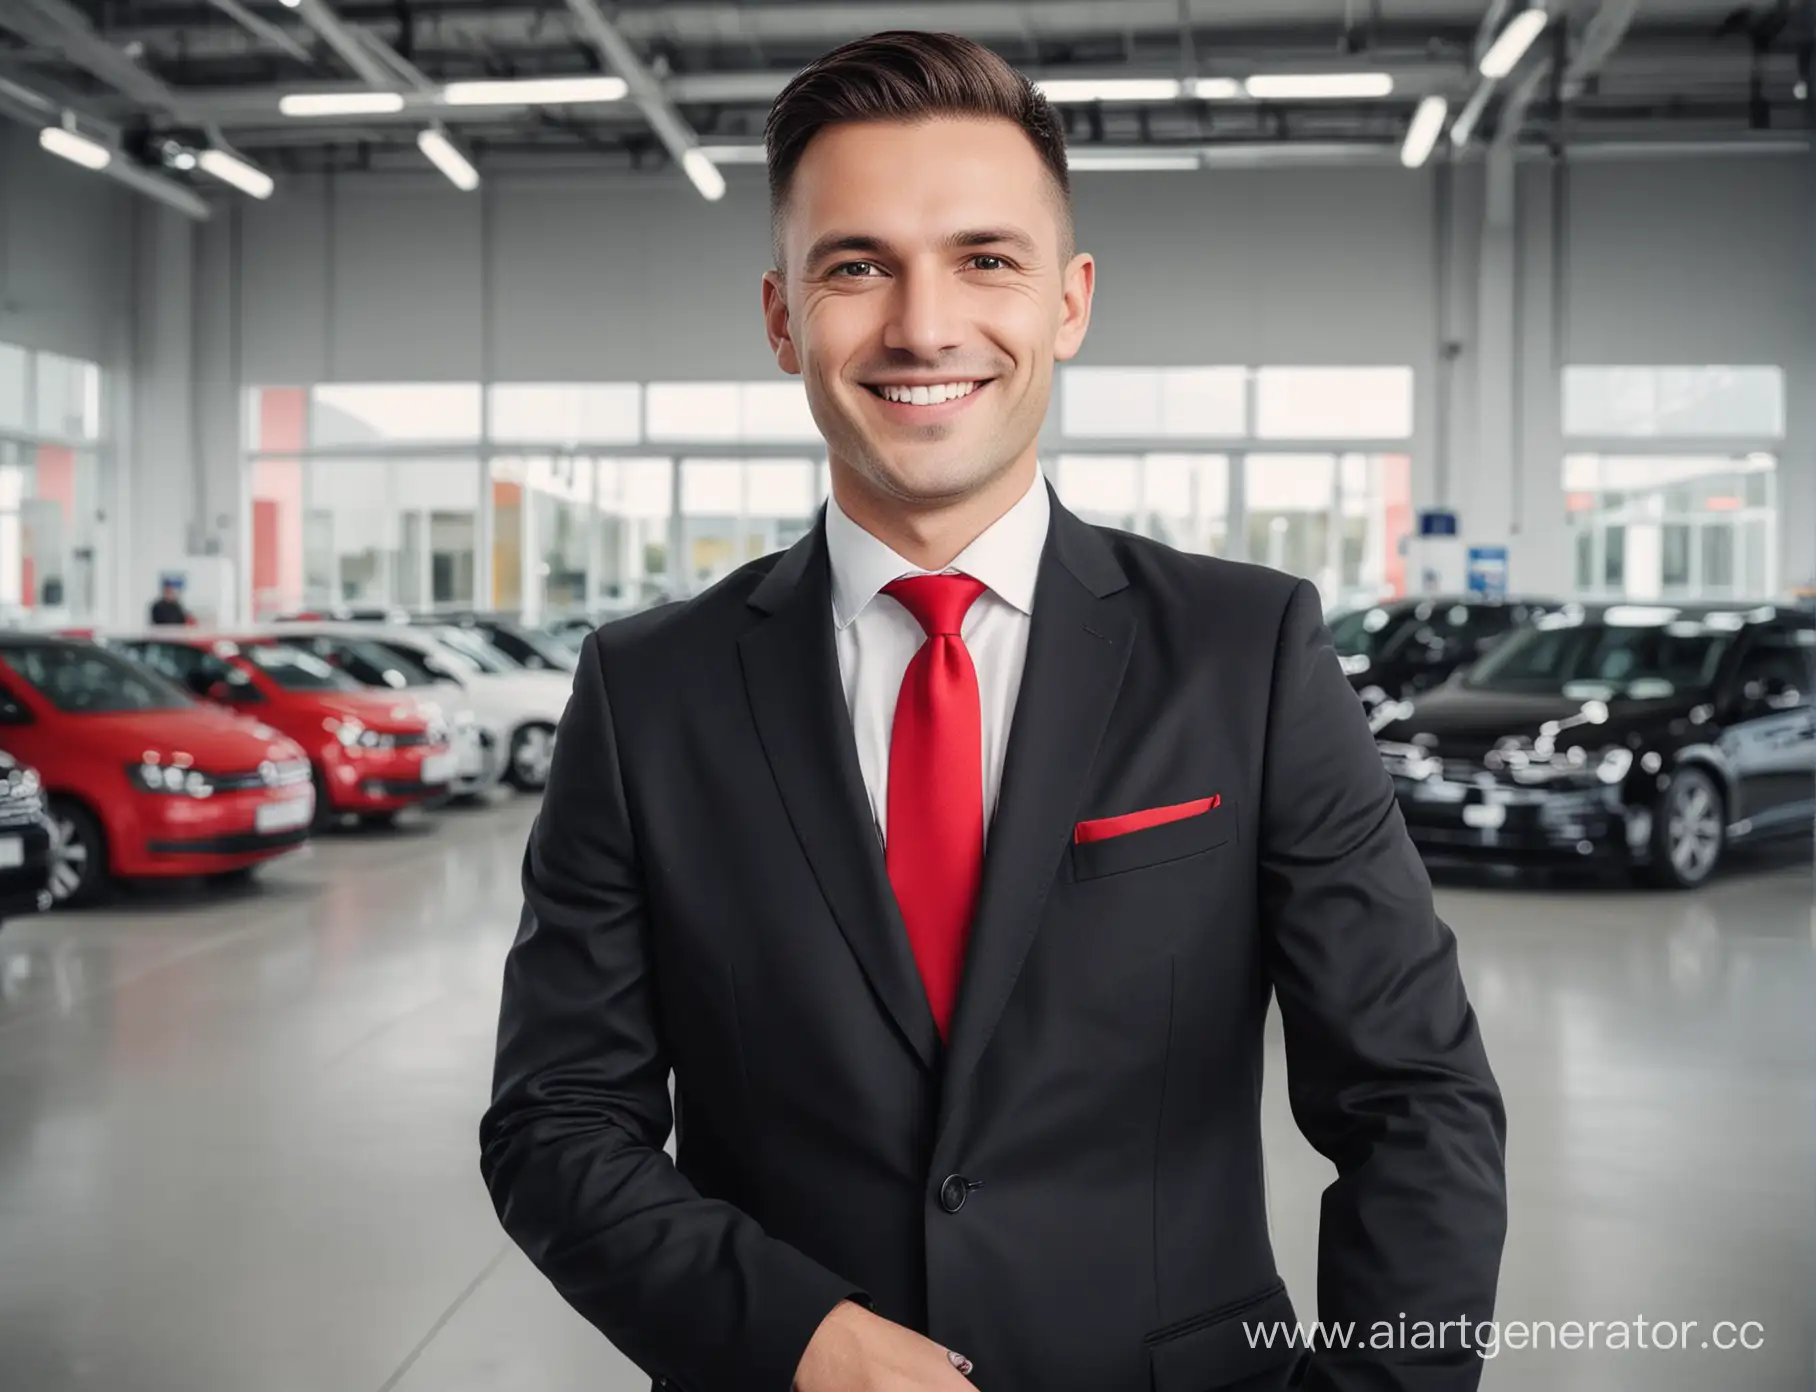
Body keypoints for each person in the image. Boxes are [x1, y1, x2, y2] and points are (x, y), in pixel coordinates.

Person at [481, 31, 1506, 1392]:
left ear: (1069, 302)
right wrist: (793, 1337)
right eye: (857, 266)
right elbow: (558, 1121)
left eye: (985, 259)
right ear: (784, 314)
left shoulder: (1242, 652)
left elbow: (1415, 1101)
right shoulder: (647, 689)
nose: (922, 325)